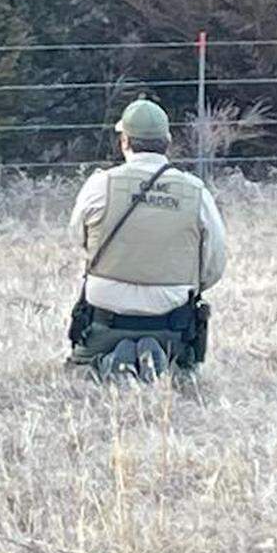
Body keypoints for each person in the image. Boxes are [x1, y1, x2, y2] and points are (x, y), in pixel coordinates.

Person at [67, 97, 226, 382]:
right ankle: (164, 360)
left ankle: (107, 361)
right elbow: (214, 264)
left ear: (124, 142)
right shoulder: (196, 192)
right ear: (167, 141)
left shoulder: (99, 185)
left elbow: (78, 239)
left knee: (83, 366)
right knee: (180, 364)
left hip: (105, 318)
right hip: (170, 320)